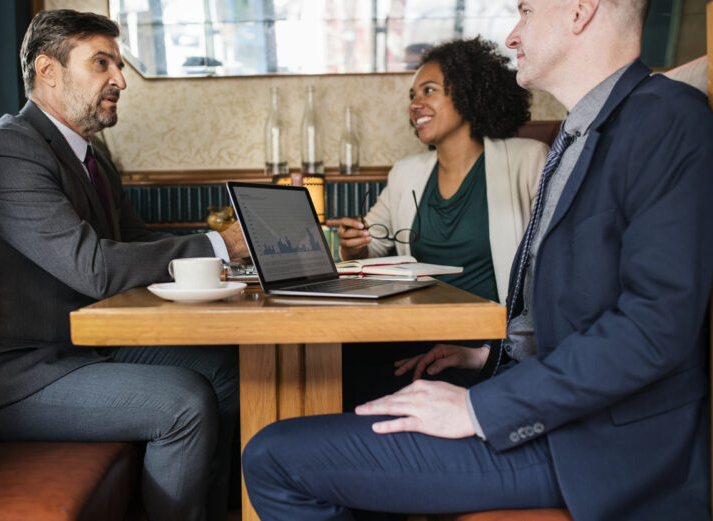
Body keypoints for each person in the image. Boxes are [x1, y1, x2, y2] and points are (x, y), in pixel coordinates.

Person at [242, 1, 713, 520]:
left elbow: (655, 327)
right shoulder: (581, 134)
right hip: (554, 412)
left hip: (600, 449)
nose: (512, 37)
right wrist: (484, 357)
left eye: (527, 12)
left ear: (580, 11)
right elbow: (575, 310)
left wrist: (476, 407)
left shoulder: (666, 117)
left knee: (272, 458)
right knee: (345, 405)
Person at [0, 10, 247, 521]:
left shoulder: (91, 160)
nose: (119, 79)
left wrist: (228, 260)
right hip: (9, 374)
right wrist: (218, 245)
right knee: (184, 402)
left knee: (229, 371)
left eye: (117, 65)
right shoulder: (7, 150)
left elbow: (137, 244)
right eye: (102, 63)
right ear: (47, 70)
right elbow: (94, 268)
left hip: (77, 347)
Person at [339, 38, 547, 411]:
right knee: (326, 365)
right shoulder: (406, 173)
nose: (414, 104)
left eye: (429, 91)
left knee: (344, 387)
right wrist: (353, 244)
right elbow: (372, 242)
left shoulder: (526, 160)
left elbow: (548, 271)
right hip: (413, 333)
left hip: (487, 347)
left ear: (467, 95)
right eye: (412, 94)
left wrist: (488, 349)